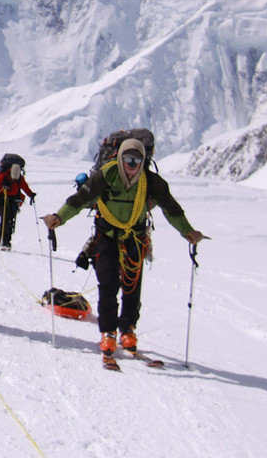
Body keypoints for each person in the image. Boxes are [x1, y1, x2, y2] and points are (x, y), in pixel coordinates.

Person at [43, 138, 204, 357]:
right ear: (120, 158)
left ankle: (128, 329)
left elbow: (171, 208)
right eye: (128, 159)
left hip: (134, 238)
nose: (132, 164)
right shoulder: (106, 176)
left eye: (137, 159)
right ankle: (108, 332)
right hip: (107, 236)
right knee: (108, 282)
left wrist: (187, 231)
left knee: (131, 286)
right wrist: (59, 217)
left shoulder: (151, 183)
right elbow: (80, 199)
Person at [0, 156, 35, 250]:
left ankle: (5, 241)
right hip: (1, 200)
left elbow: (25, 187)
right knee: (6, 218)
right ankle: (4, 241)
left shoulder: (19, 178)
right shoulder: (3, 177)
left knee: (9, 220)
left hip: (12, 200)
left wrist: (31, 194)